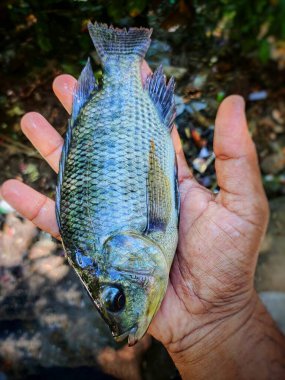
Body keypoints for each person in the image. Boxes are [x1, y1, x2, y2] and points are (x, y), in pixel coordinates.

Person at [1, 61, 285, 379]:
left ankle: (118, 62)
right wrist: (213, 327)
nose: (123, 327)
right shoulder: (140, 243)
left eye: (118, 298)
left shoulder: (148, 238)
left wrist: (219, 324)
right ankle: (121, 66)